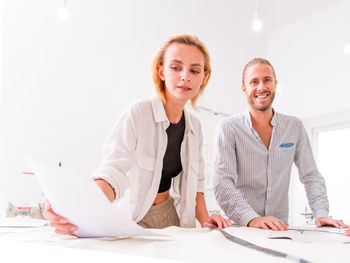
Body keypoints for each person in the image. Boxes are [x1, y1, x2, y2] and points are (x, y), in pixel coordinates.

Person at [43, 34, 232, 236]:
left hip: (172, 218)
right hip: (134, 219)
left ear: (203, 76)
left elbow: (197, 187)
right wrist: (81, 210)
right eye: (176, 68)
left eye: (194, 70)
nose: (185, 76)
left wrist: (206, 220)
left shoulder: (195, 127)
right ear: (161, 71)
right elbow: (112, 173)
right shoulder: (138, 113)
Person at [212, 58, 348, 231]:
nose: (261, 87)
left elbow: (311, 176)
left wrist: (321, 214)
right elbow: (222, 182)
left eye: (267, 80)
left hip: (279, 230)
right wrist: (252, 219)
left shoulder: (294, 127)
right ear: (244, 88)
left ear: (275, 84)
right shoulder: (228, 128)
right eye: (254, 82)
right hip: (240, 228)